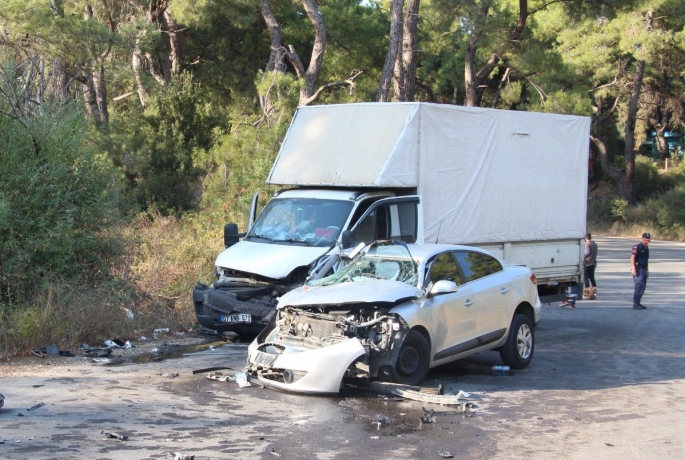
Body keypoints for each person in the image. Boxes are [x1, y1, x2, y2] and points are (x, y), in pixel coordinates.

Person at [631, 232, 651, 310]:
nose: (647, 240)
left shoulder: (646, 248)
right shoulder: (637, 247)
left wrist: (647, 270)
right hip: (638, 268)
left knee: (643, 287)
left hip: (643, 269)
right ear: (642, 238)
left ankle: (638, 302)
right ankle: (635, 304)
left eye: (648, 239)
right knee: (639, 286)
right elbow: (632, 257)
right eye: (646, 238)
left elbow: (646, 260)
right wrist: (633, 268)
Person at [583, 233, 598, 300]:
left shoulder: (587, 244)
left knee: (586, 278)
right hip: (593, 263)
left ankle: (587, 293)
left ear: (586, 238)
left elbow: (587, 252)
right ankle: (594, 292)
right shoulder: (594, 244)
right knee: (592, 278)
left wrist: (583, 257)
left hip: (587, 263)